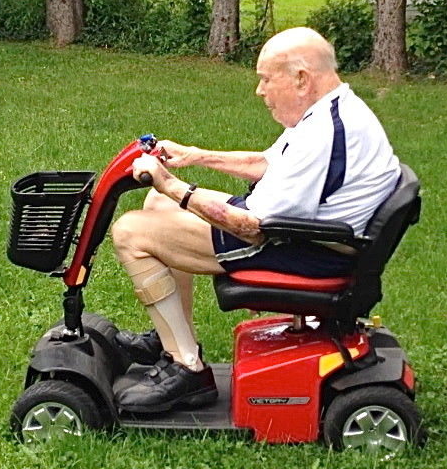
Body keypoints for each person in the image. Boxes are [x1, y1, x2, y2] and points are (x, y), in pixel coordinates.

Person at [109, 26, 402, 414]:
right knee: (155, 205)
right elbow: (267, 163)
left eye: (266, 79)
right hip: (302, 231)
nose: (259, 91)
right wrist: (196, 156)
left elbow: (250, 227)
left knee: (130, 232)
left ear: (301, 78)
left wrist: (171, 184)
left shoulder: (324, 135)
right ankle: (173, 341)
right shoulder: (331, 110)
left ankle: (187, 368)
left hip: (300, 247)